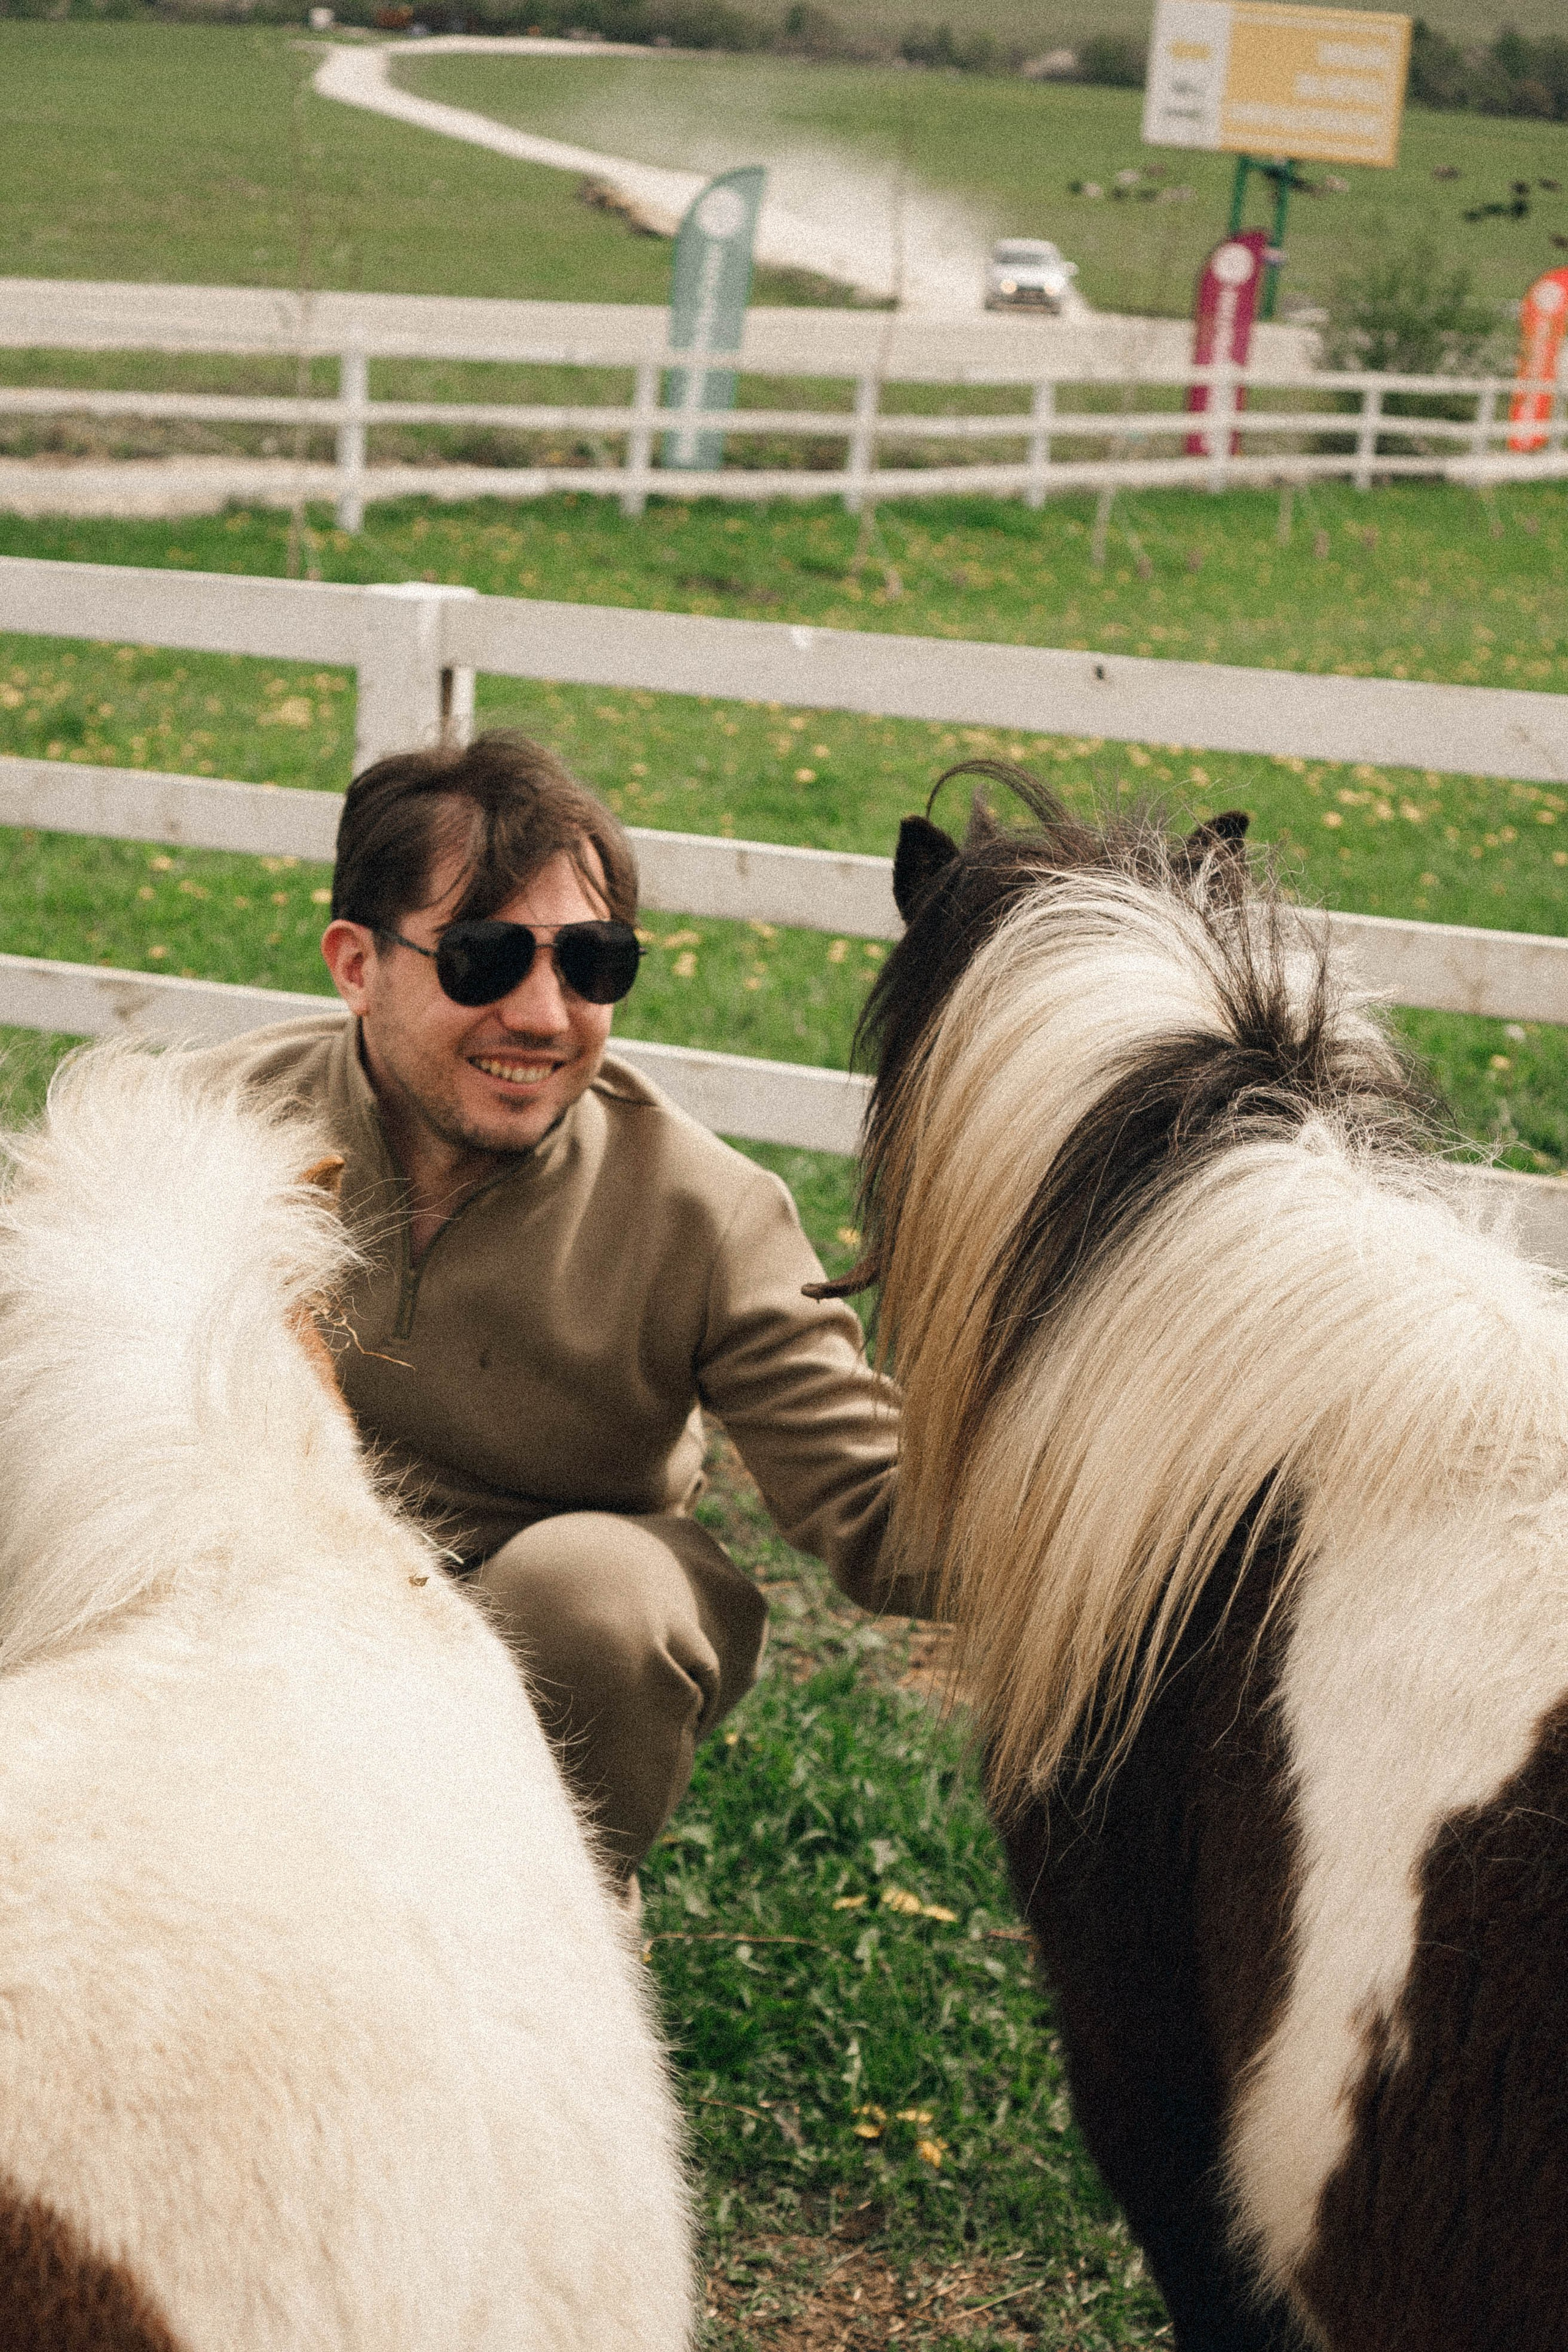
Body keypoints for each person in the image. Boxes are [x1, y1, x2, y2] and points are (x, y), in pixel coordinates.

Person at [199, 731, 911, 1894]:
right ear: (355, 965)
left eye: (594, 963)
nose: (545, 1013)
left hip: (537, 1628)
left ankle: (545, 1936)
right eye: (484, 959)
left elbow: (883, 1518)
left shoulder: (708, 1213)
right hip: (257, 1601)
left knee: (595, 1598)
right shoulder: (209, 1126)